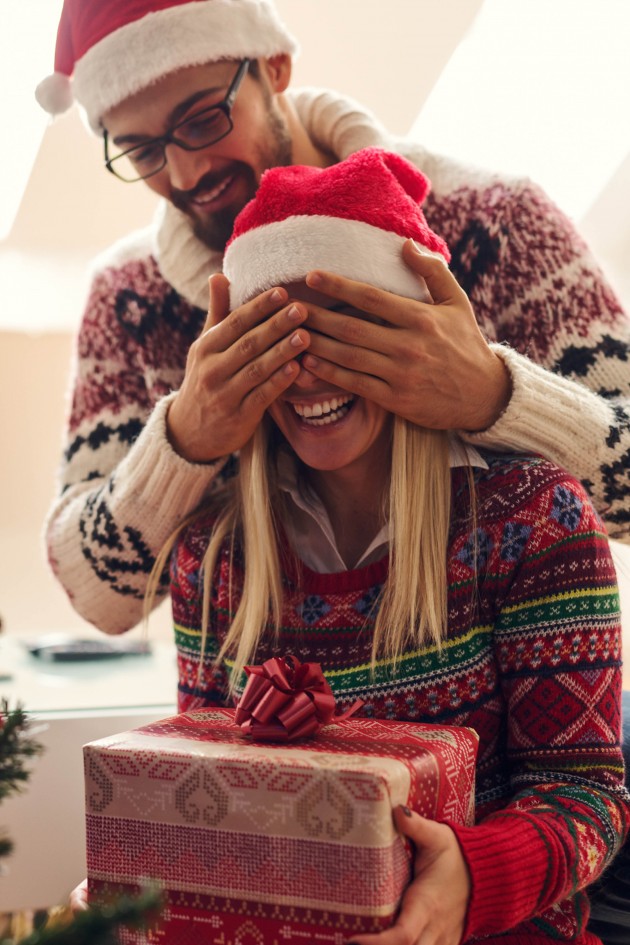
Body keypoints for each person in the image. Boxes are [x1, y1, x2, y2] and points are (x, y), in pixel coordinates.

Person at [146, 147, 629, 945]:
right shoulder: (214, 554)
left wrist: (471, 877)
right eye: (277, 337)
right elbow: (211, 795)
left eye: (344, 331)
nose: (307, 375)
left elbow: (588, 799)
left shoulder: (535, 522)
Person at [35, 0, 630, 641]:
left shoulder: (496, 222)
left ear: (276, 65)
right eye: (141, 150)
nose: (185, 173)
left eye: (204, 119)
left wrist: (496, 395)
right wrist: (185, 439)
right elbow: (98, 599)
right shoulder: (132, 299)